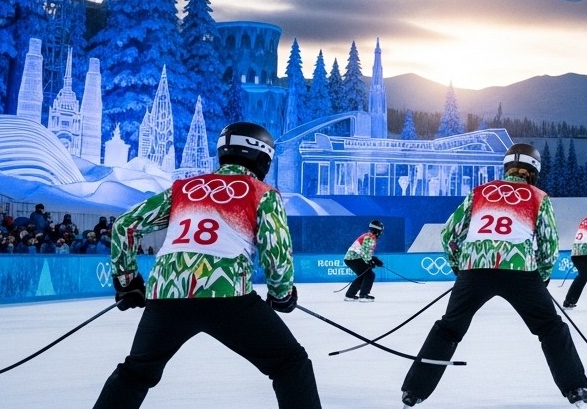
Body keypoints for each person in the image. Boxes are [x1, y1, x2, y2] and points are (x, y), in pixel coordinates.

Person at [93, 121, 321, 409]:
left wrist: (128, 284)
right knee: (290, 364)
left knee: (136, 373)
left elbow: (125, 226)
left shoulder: (182, 189)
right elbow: (276, 252)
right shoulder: (262, 192)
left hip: (166, 294)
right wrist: (281, 295)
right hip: (226, 294)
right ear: (262, 158)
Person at [401, 143, 587, 409]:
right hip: (520, 273)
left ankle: (414, 392)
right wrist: (544, 276)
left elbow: (448, 234)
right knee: (550, 328)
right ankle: (576, 389)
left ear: (506, 167)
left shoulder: (479, 193)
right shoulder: (538, 196)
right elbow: (549, 245)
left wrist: (461, 268)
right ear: (534, 170)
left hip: (474, 272)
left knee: (449, 329)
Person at [343, 218, 386, 301]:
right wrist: (370, 262)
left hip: (351, 258)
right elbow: (365, 252)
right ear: (377, 230)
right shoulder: (370, 237)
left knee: (363, 275)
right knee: (370, 275)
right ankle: (363, 295)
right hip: (354, 258)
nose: (381, 233)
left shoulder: (368, 235)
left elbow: (365, 252)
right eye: (381, 231)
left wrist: (375, 260)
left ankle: (349, 295)